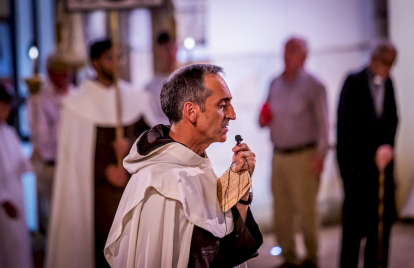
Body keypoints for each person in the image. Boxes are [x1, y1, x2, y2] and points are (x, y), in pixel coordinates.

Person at [104, 64, 263, 268]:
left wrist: (239, 190)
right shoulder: (161, 184)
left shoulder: (196, 164)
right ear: (191, 111)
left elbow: (226, 248)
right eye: (222, 105)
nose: (232, 115)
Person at [46, 40, 156, 268]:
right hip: (97, 194)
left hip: (133, 189)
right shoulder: (77, 104)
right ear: (95, 63)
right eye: (109, 58)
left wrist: (131, 144)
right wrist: (105, 170)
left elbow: (153, 138)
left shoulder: (134, 98)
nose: (116, 64)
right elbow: (74, 158)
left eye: (119, 57)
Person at [259, 37, 329, 268]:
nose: (287, 56)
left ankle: (311, 256)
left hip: (304, 156)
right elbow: (264, 114)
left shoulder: (313, 86)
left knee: (306, 210)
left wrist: (320, 155)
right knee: (281, 210)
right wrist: (263, 118)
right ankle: (288, 256)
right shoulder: (274, 83)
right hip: (278, 156)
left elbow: (324, 124)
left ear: (304, 56)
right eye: (285, 50)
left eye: (293, 51)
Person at [337, 41, 398, 268]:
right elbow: (346, 127)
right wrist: (370, 152)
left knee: (379, 228)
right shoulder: (353, 82)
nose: (387, 70)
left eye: (391, 65)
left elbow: (392, 119)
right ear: (373, 60)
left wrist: (388, 146)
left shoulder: (389, 83)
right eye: (385, 64)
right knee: (353, 230)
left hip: (381, 169)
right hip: (357, 170)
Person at [29, 54, 74, 235]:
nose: (64, 77)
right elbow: (41, 135)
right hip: (51, 165)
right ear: (49, 72)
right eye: (59, 73)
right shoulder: (39, 98)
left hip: (72, 164)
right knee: (53, 218)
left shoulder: (76, 94)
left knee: (72, 216)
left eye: (67, 73)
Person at [0, 83, 33, 268]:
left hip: (16, 195)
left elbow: (21, 164)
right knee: (7, 248)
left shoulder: (10, 132)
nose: (5, 111)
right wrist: (4, 200)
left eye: (7, 107)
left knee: (19, 244)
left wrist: (32, 158)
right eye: (2, 106)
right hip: (4, 203)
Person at [144, 31, 178, 124]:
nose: (170, 54)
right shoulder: (149, 89)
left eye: (172, 48)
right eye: (166, 50)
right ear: (158, 53)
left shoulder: (188, 82)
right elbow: (152, 121)